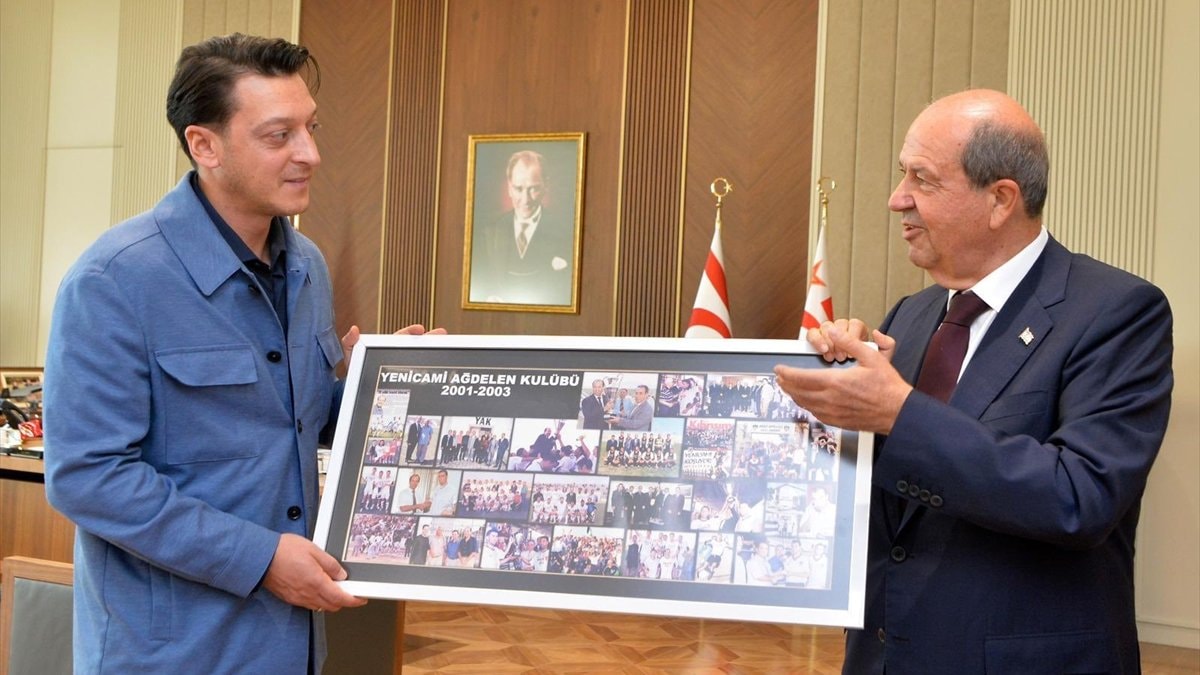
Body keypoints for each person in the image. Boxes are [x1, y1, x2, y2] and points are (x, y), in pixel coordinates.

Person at [41, 33, 443, 673]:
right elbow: (88, 477)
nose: (310, 154)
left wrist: (391, 385)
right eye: (279, 136)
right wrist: (260, 559)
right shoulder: (113, 280)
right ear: (205, 145)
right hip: (172, 652)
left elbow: (298, 417)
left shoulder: (307, 265)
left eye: (311, 128)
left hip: (291, 642)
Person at [774, 89, 1172, 674]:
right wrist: (836, 404)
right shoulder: (910, 316)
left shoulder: (1116, 311)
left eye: (922, 179)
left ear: (1000, 200)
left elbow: (1081, 497)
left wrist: (897, 413)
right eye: (902, 174)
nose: (897, 198)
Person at [469, 150, 574, 305]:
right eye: (518, 189)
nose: (525, 200)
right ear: (509, 188)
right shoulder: (489, 231)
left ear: (546, 186)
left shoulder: (566, 233)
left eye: (534, 189)